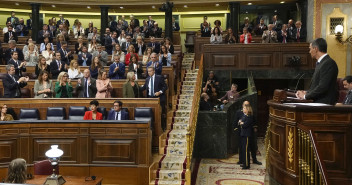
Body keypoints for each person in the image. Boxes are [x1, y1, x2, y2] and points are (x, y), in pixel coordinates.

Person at [296, 38, 338, 104]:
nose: (309, 51)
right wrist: (307, 92)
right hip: (318, 102)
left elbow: (323, 87)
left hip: (324, 104)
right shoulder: (321, 63)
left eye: (310, 49)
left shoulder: (328, 63)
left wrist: (305, 96)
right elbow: (317, 85)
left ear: (315, 49)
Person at [234, 101, 262, 167]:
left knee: (252, 146)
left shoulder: (250, 113)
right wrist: (237, 129)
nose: (246, 106)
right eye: (245, 105)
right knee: (242, 147)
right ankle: (242, 161)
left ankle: (254, 160)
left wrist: (255, 127)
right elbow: (236, 121)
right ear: (242, 105)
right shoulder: (239, 112)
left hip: (249, 132)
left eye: (247, 105)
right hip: (242, 132)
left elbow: (253, 121)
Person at [238, 104, 254, 170]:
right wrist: (241, 123)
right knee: (243, 150)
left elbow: (244, 125)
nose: (243, 109)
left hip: (246, 135)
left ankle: (247, 165)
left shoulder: (249, 117)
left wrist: (241, 123)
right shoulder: (244, 116)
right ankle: (245, 163)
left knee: (246, 150)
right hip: (243, 134)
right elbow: (239, 122)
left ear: (247, 110)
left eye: (244, 108)